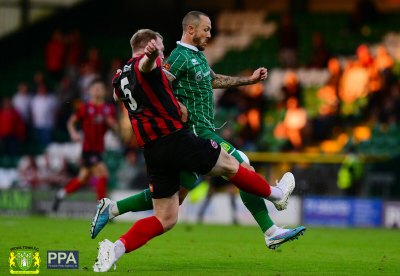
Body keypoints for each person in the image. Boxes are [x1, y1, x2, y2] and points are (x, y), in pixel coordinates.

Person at [92, 29, 302, 272]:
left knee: (166, 216)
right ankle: (276, 197)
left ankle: (114, 246)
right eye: (160, 47)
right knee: (234, 164)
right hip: (176, 139)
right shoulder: (146, 62)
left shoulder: (120, 76)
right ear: (150, 45)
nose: (163, 52)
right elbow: (146, 67)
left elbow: (120, 97)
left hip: (152, 150)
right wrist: (150, 57)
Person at [52, 79, 116, 211]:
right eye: (95, 88)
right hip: (88, 149)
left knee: (82, 179)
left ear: (104, 91)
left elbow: (115, 127)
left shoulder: (108, 109)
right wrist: (73, 133)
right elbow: (71, 122)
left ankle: (61, 194)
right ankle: (102, 209)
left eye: (100, 88)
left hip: (99, 150)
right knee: (103, 175)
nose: (98, 90)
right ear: (90, 91)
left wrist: (113, 124)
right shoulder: (85, 108)